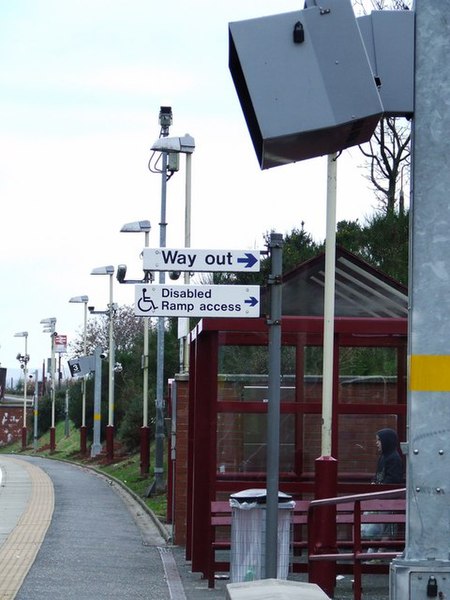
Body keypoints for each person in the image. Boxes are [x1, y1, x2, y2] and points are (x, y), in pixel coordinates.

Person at [362, 428, 404, 551]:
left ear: (386, 441)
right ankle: (374, 551)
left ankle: (379, 552)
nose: (377, 443)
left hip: (389, 499)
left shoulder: (394, 458)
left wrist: (379, 485)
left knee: (385, 527)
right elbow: (379, 474)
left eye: (379, 440)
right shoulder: (383, 457)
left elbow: (394, 479)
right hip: (381, 497)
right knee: (378, 526)